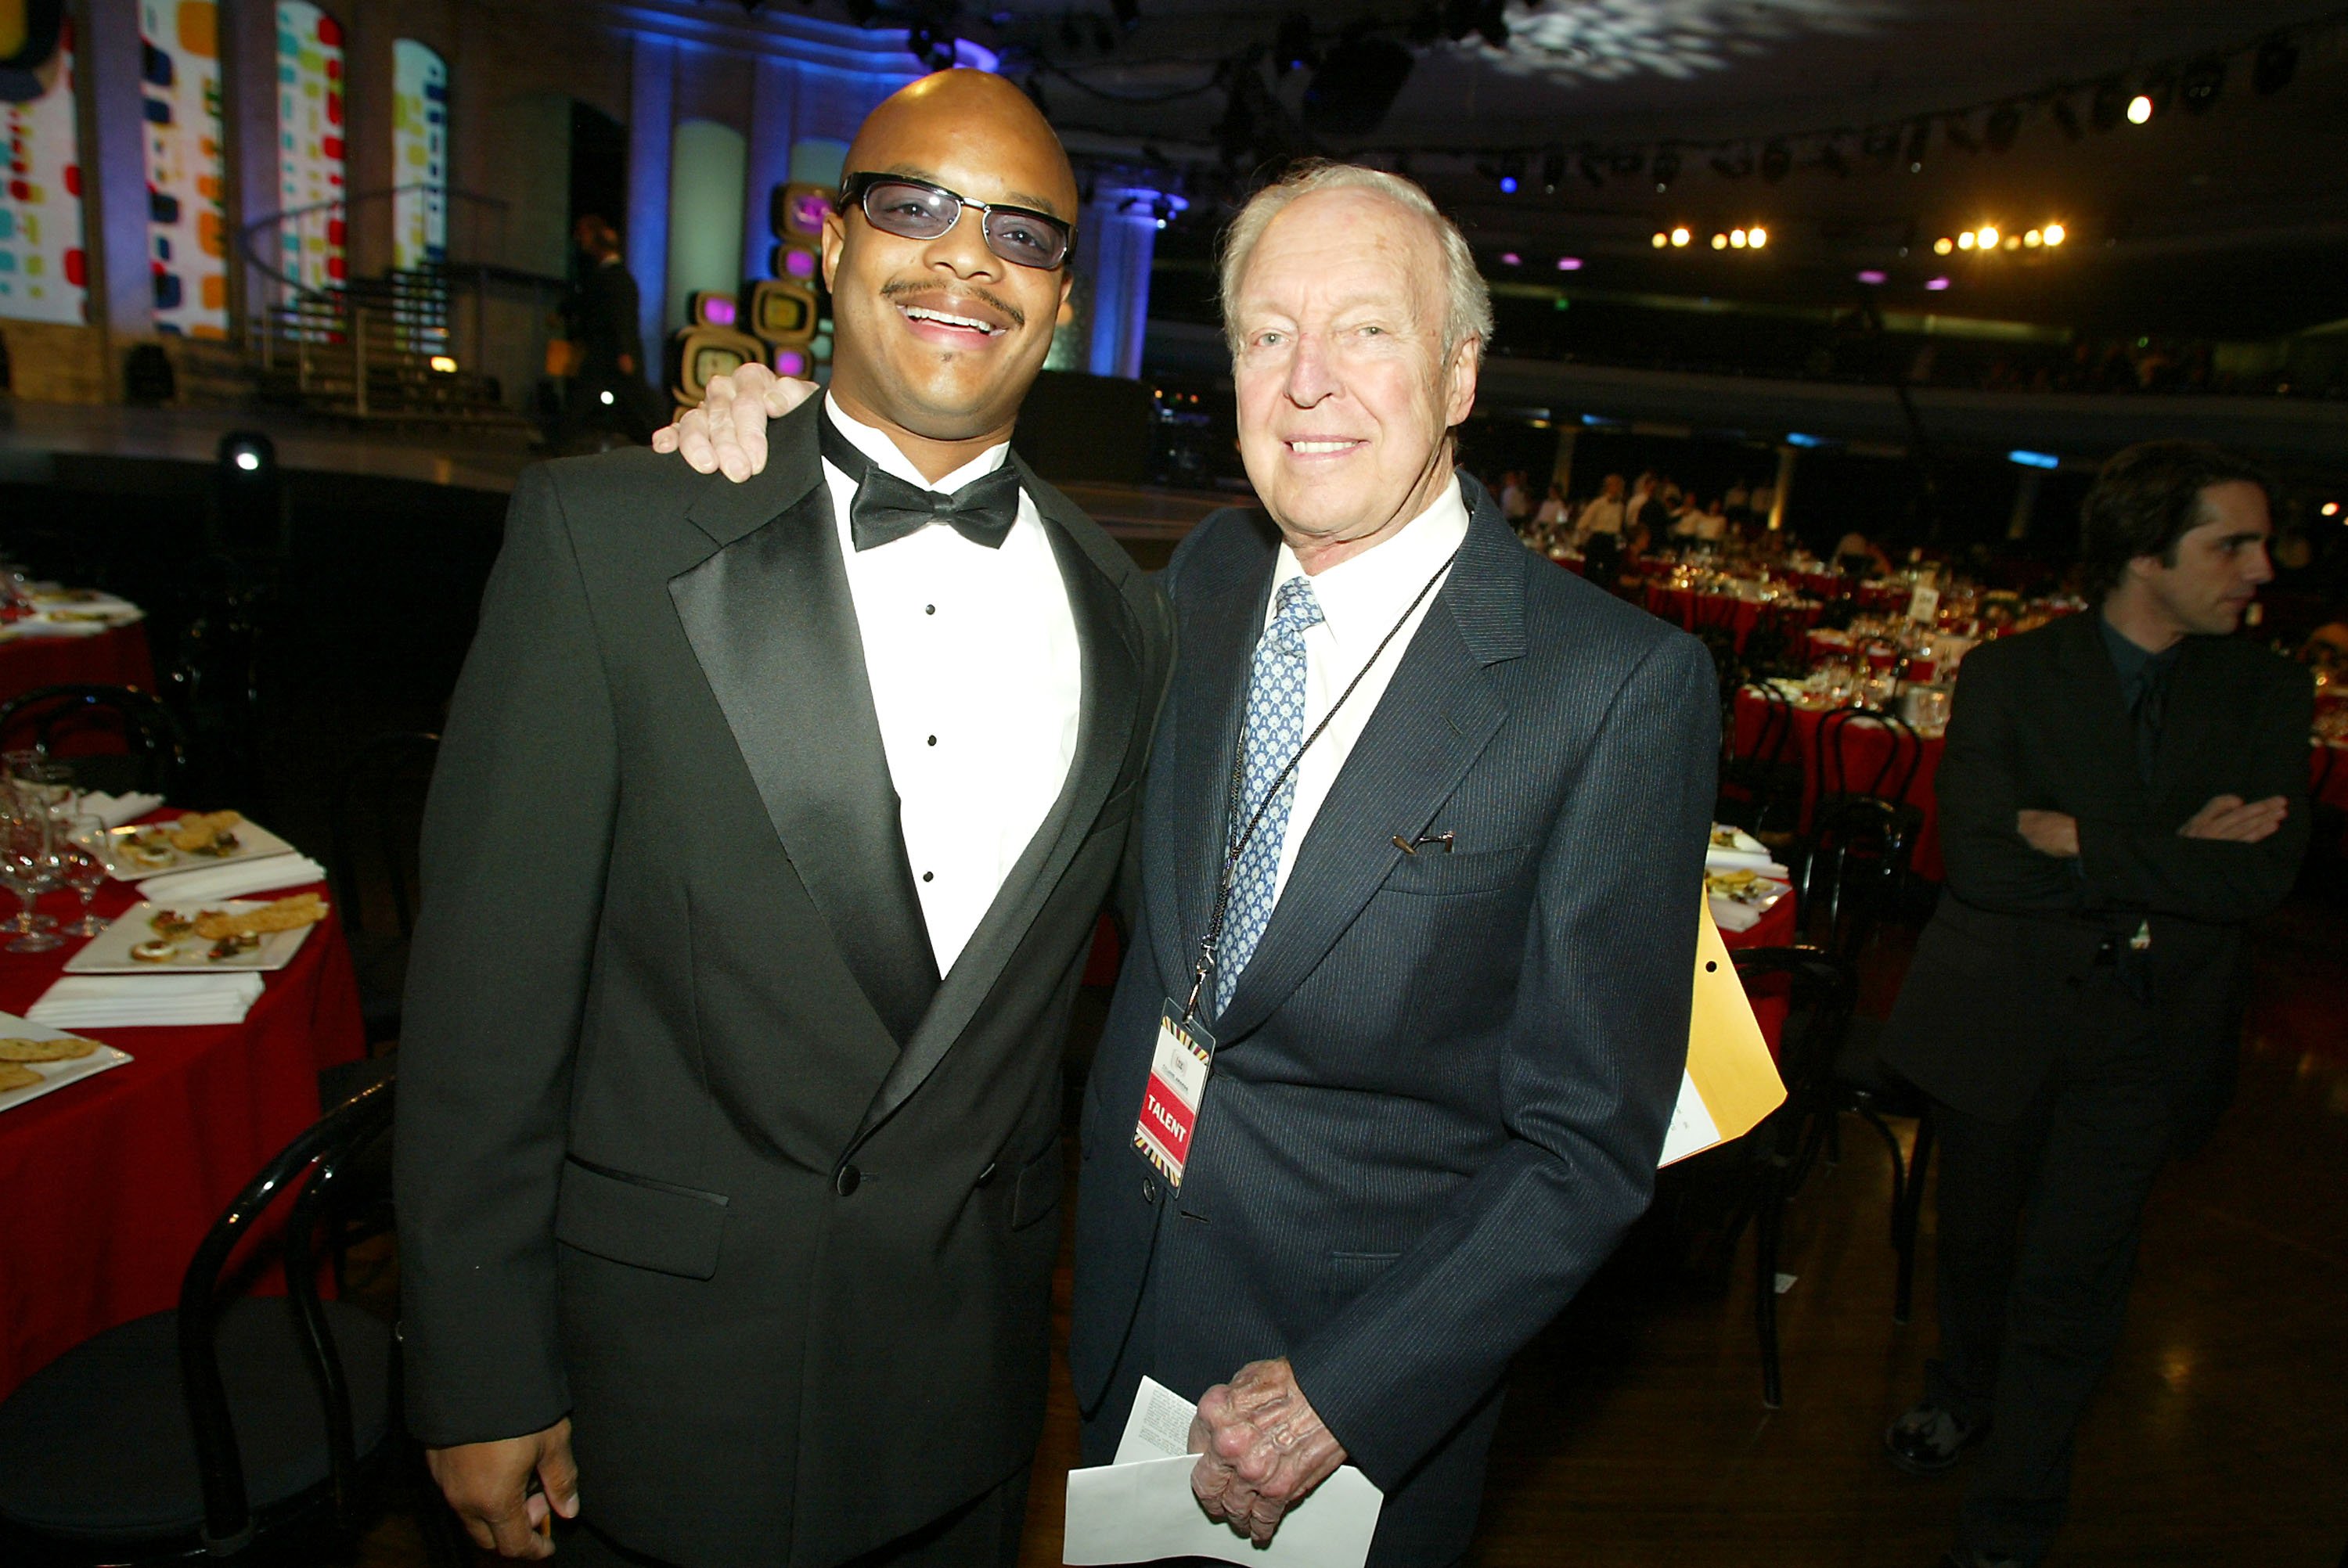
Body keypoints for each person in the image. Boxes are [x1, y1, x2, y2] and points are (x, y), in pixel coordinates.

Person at [666, 160, 1715, 1568]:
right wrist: (820, 426)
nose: (1307, 380)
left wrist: (1349, 1393)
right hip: (1118, 1316)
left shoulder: (1613, 687)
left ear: (1460, 373)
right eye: (1268, 333)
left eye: (1366, 329)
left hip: (1347, 1400)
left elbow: (1588, 1144)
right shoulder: (1196, 590)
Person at [396, 70, 1172, 1568]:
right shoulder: (610, 538)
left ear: (1065, 301)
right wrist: (479, 1359)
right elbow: (486, 1002)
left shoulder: (1131, 621)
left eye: (1021, 232)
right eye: (914, 207)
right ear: (827, 241)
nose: (964, 257)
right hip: (652, 1384)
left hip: (960, 1393)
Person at [1879, 441, 2310, 1568]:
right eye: (2233, 543)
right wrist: (2171, 853)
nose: (2263, 568)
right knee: (1974, 1240)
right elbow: (1980, 862)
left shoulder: (2266, 688)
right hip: (2006, 1008)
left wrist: (2084, 840)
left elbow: (2261, 875)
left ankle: (2017, 1511)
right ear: (2141, 552)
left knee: (2079, 1272)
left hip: (2152, 1023)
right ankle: (1962, 1390)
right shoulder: (2014, 675)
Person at [554, 215, 667, 447]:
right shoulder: (604, 276)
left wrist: (624, 351)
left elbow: (621, 317)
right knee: (594, 397)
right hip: (607, 351)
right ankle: (558, 440)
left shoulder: (616, 279)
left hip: (613, 351)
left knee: (637, 400)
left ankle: (664, 439)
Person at [1575, 472, 1628, 542]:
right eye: (1617, 485)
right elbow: (1582, 524)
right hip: (1598, 540)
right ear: (1608, 486)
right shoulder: (1598, 504)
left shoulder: (1621, 507)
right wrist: (1589, 539)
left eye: (1621, 486)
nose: (1619, 489)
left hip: (1612, 541)